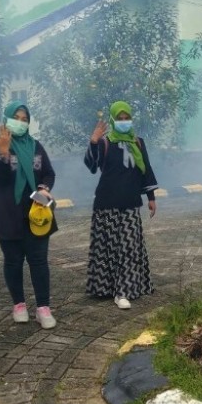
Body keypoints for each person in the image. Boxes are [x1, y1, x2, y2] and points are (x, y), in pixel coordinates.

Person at [0, 102, 58, 329]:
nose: (21, 122)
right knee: (14, 261)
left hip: (36, 213)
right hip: (7, 213)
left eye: (25, 118)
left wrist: (45, 187)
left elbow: (48, 172)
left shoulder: (36, 146)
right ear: (7, 119)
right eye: (16, 117)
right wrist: (4, 152)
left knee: (38, 261)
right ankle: (19, 304)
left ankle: (43, 307)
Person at [85, 100, 158, 309]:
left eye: (127, 118)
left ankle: (123, 291)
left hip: (130, 205)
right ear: (113, 120)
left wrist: (151, 198)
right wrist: (93, 141)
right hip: (106, 205)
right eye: (120, 118)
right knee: (107, 249)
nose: (124, 122)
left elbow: (146, 171)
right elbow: (91, 165)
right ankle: (105, 288)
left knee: (128, 248)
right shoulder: (105, 142)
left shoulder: (138, 142)